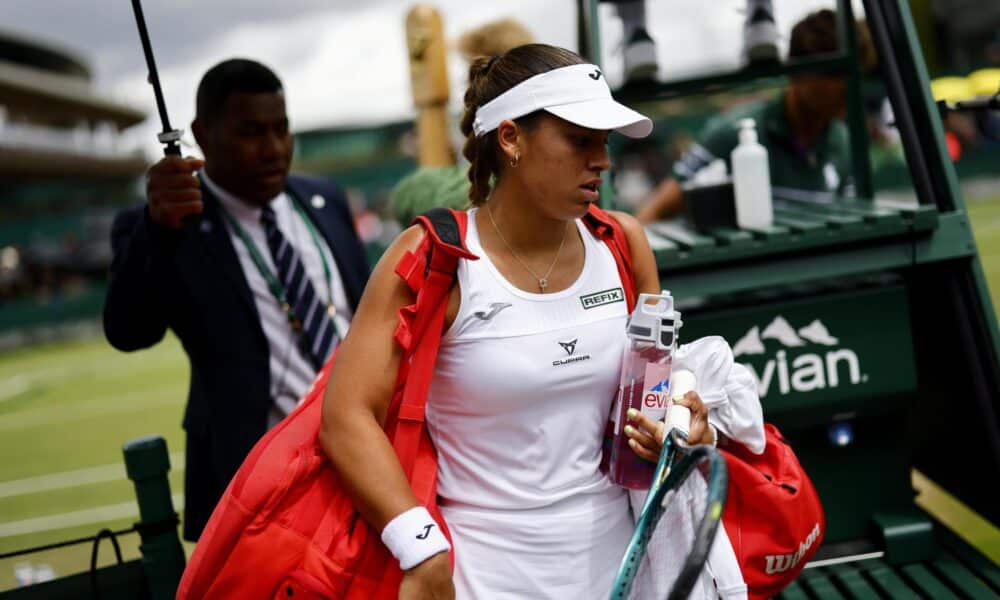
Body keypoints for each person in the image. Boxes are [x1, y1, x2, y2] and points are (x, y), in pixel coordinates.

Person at [319, 44, 762, 598]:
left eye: (605, 142)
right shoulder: (433, 257)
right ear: (510, 139)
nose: (602, 159)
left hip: (627, 569)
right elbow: (346, 415)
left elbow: (655, 383)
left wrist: (681, 419)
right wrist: (419, 547)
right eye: (580, 140)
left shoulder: (623, 241)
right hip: (483, 580)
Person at [103, 59, 370, 541]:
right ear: (203, 134)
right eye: (250, 132)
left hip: (371, 454)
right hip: (261, 484)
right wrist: (156, 230)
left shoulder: (324, 197)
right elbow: (128, 331)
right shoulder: (169, 223)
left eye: (281, 129)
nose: (273, 149)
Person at [636, 9, 875, 223]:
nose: (847, 86)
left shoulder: (844, 143)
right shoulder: (731, 132)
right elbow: (655, 210)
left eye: (854, 73)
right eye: (834, 73)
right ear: (797, 72)